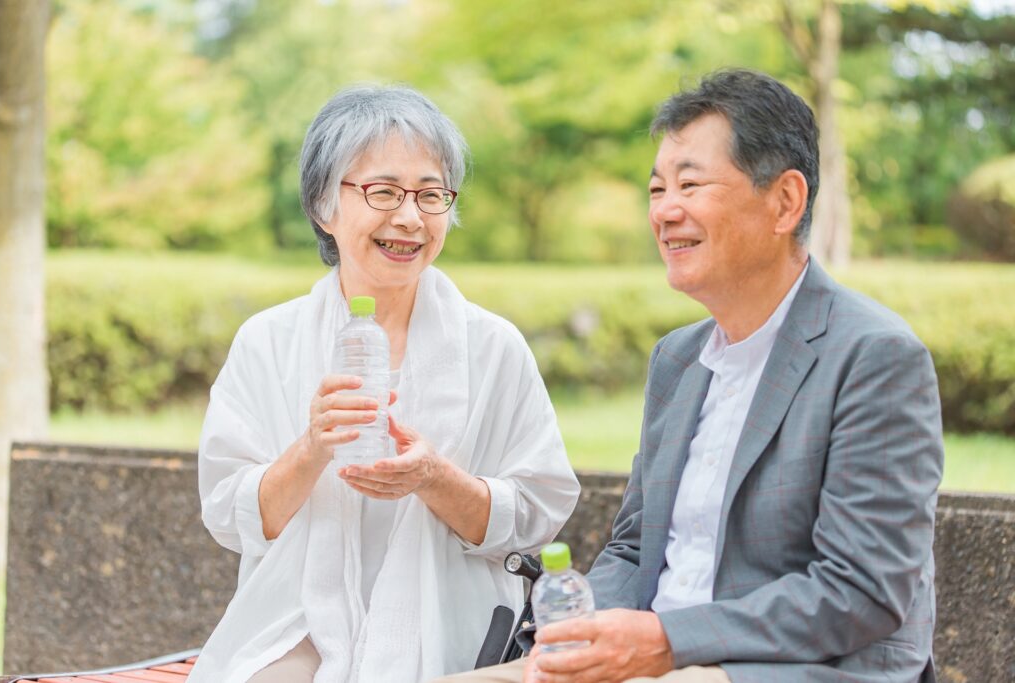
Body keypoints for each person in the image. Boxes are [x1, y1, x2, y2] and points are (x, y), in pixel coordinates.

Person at [439, 69, 943, 683]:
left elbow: (860, 591)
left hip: (797, 670)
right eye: (656, 189)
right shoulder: (678, 360)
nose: (665, 212)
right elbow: (633, 547)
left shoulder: (874, 356)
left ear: (785, 201)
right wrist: (580, 631)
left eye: (691, 185)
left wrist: (667, 642)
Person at [187, 85, 580, 683]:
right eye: (384, 191)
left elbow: (538, 512)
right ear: (324, 206)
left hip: (453, 624)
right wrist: (312, 447)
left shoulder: (493, 345)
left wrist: (433, 477)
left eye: (430, 194)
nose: (410, 217)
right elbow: (230, 515)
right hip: (297, 621)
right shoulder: (268, 341)